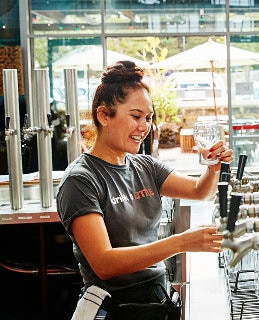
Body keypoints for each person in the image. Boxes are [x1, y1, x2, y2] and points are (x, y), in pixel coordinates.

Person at [57, 61, 233, 315]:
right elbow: (104, 263)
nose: (144, 127)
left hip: (156, 301)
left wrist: (213, 168)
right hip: (114, 308)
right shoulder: (81, 180)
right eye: (136, 116)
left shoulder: (145, 166)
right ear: (104, 115)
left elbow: (199, 191)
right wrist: (180, 242)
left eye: (148, 118)